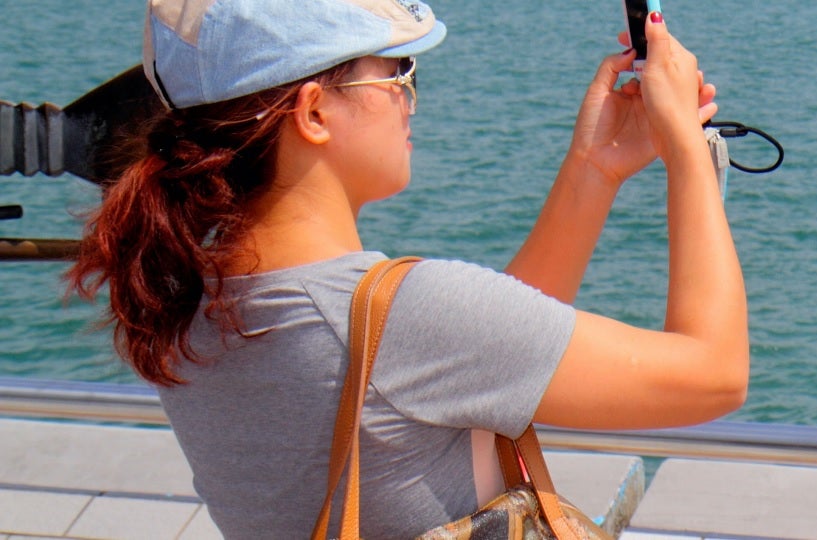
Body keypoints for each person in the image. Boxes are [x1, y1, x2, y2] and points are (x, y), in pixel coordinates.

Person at [63, 0, 750, 537]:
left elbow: (483, 354)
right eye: (398, 74)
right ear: (313, 111)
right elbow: (713, 374)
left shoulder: (185, 311)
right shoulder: (403, 316)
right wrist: (686, 151)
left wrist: (592, 173)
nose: (409, 98)